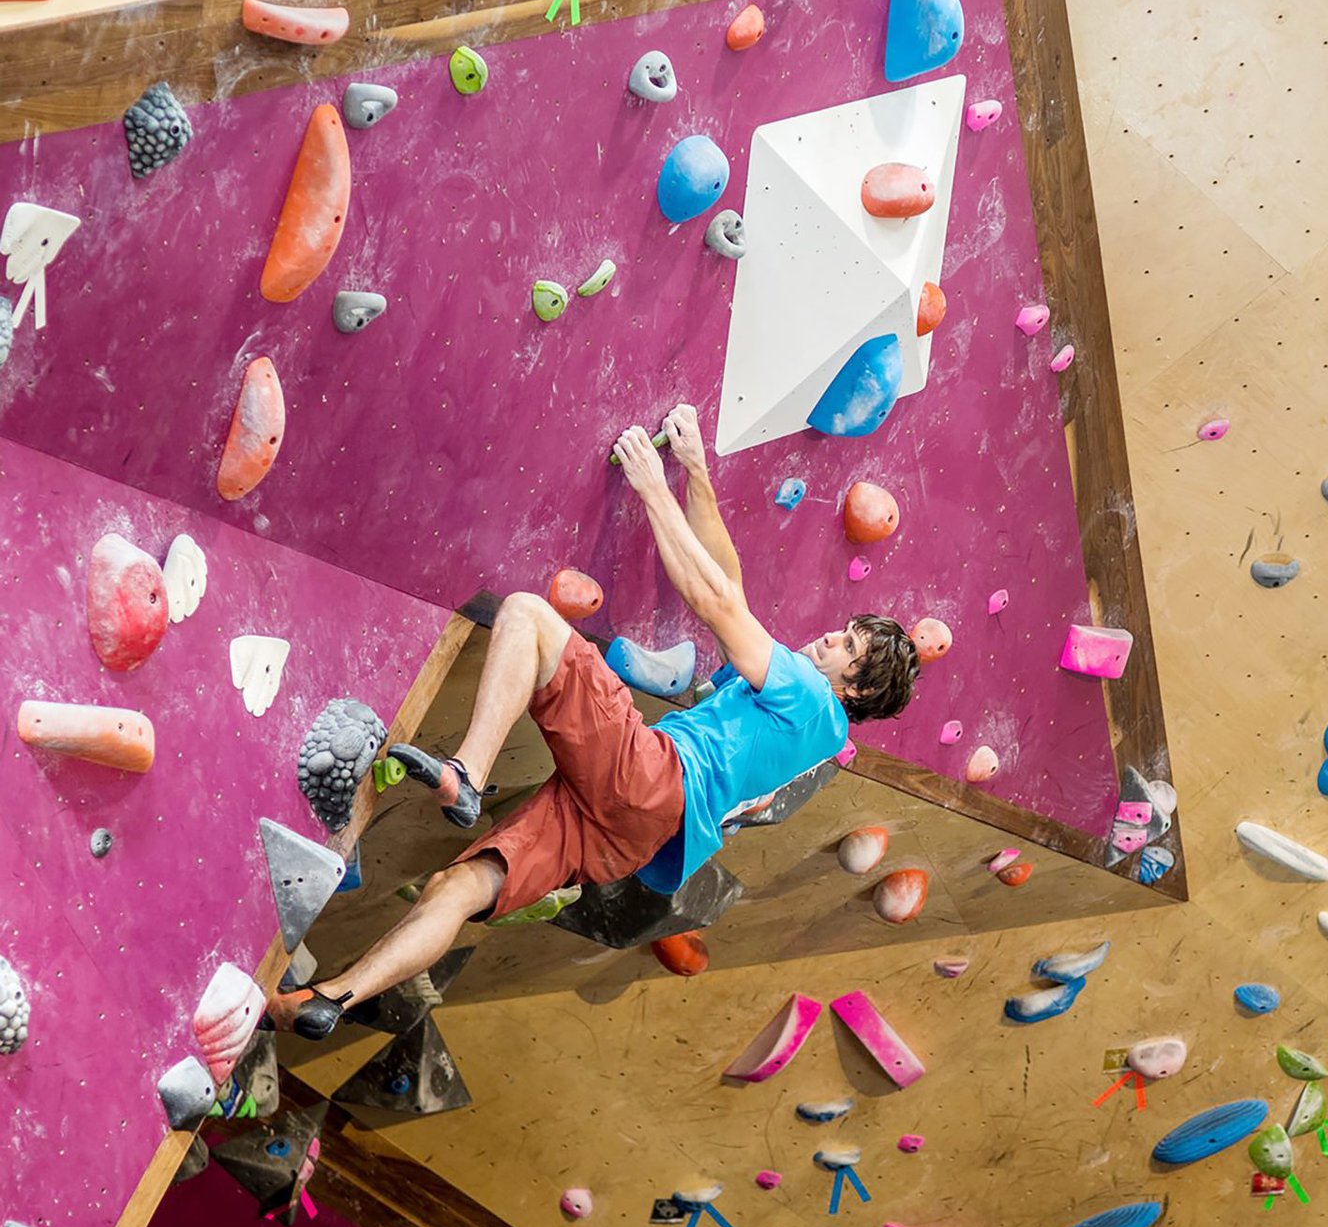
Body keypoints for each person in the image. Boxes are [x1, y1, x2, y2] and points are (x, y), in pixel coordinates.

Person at [272, 406, 920, 1039]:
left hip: (652, 777)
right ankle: (333, 997)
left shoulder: (811, 694)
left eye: (847, 646)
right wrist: (696, 472)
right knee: (458, 888)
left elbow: (717, 602)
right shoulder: (813, 733)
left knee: (527, 615)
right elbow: (731, 582)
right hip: (632, 840)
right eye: (843, 630)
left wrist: (652, 487)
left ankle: (466, 771)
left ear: (857, 687)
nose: (829, 638)